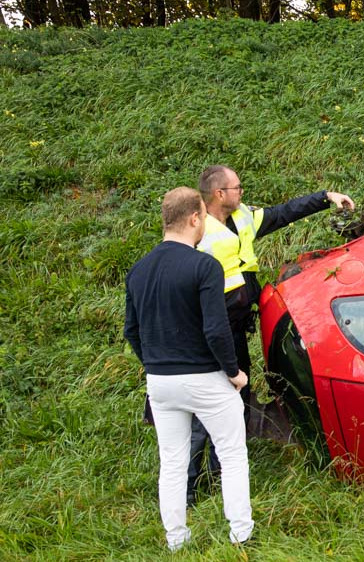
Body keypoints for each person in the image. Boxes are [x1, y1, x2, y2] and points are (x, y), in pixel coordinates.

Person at [186, 165, 354, 503]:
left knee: (234, 397)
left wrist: (325, 198)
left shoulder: (243, 217)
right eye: (237, 188)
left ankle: (220, 470)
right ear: (220, 194)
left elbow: (281, 214)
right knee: (212, 405)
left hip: (235, 325)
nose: (242, 192)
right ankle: (192, 484)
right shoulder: (199, 235)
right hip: (212, 330)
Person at [124, 187, 254, 551]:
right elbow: (216, 329)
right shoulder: (204, 265)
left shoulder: (139, 270)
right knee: (231, 455)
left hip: (160, 383)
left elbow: (131, 330)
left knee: (172, 462)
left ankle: (176, 540)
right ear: (195, 218)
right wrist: (233, 373)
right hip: (205, 378)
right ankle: (241, 535)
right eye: (204, 218)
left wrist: (154, 364)